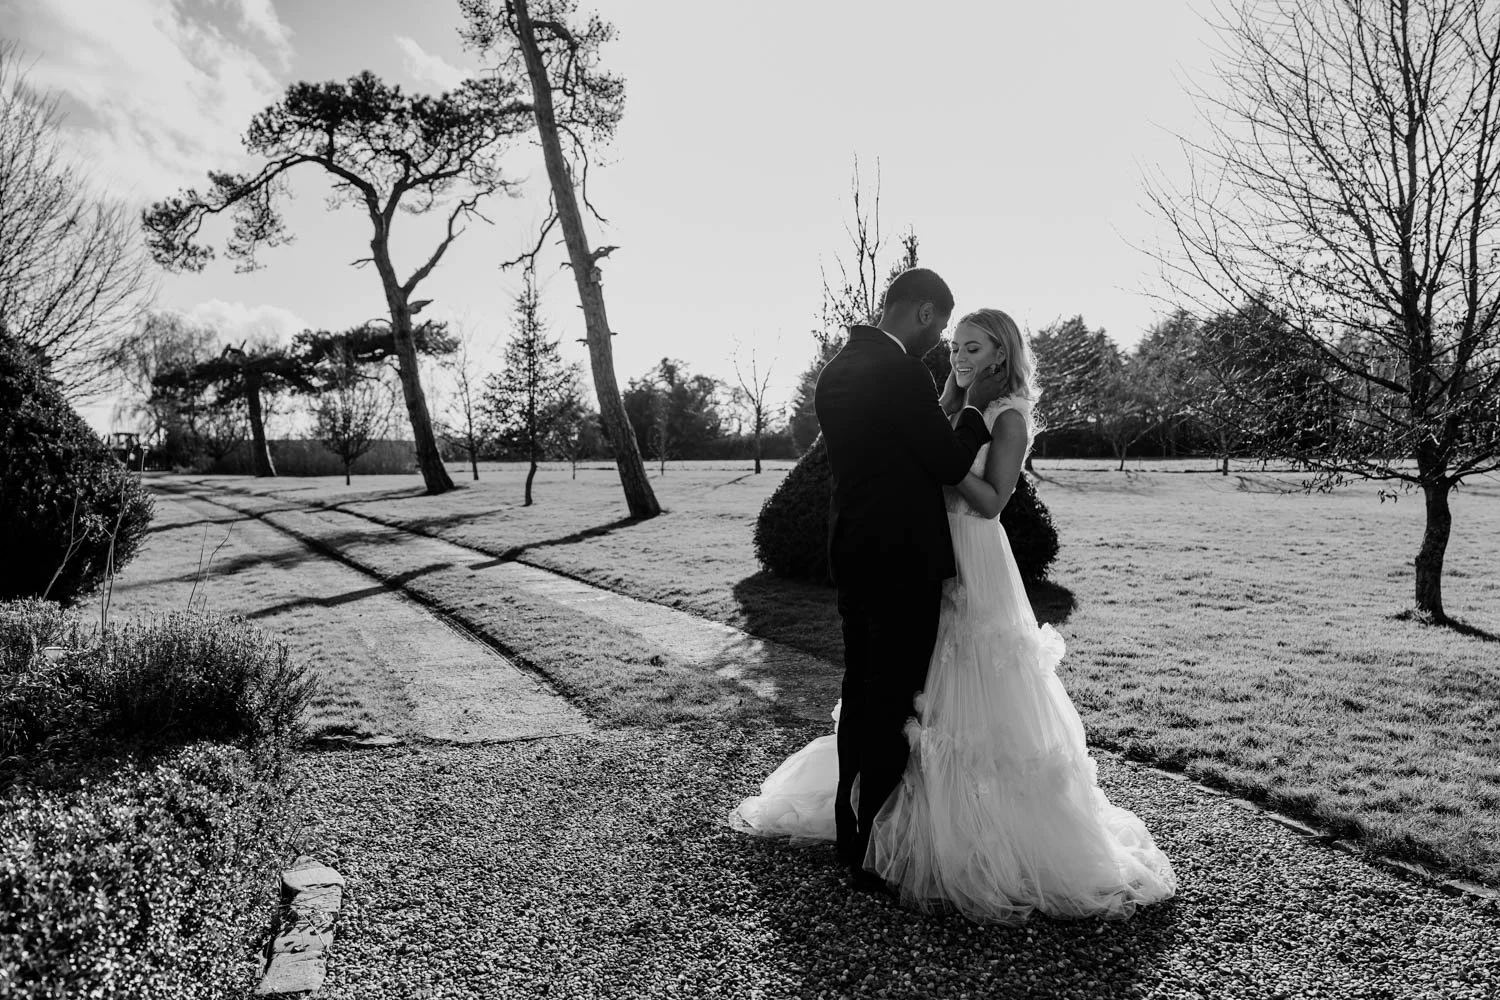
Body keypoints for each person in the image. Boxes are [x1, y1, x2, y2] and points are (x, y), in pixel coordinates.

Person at [730, 301, 1177, 924]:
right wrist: (940, 449)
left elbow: (993, 500)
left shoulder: (1008, 416)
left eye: (973, 348)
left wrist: (942, 470)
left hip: (970, 552)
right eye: (957, 347)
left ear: (1001, 354)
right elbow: (925, 450)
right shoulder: (944, 406)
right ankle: (890, 816)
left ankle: (967, 832)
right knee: (913, 688)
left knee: (965, 682)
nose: (960, 357)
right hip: (921, 553)